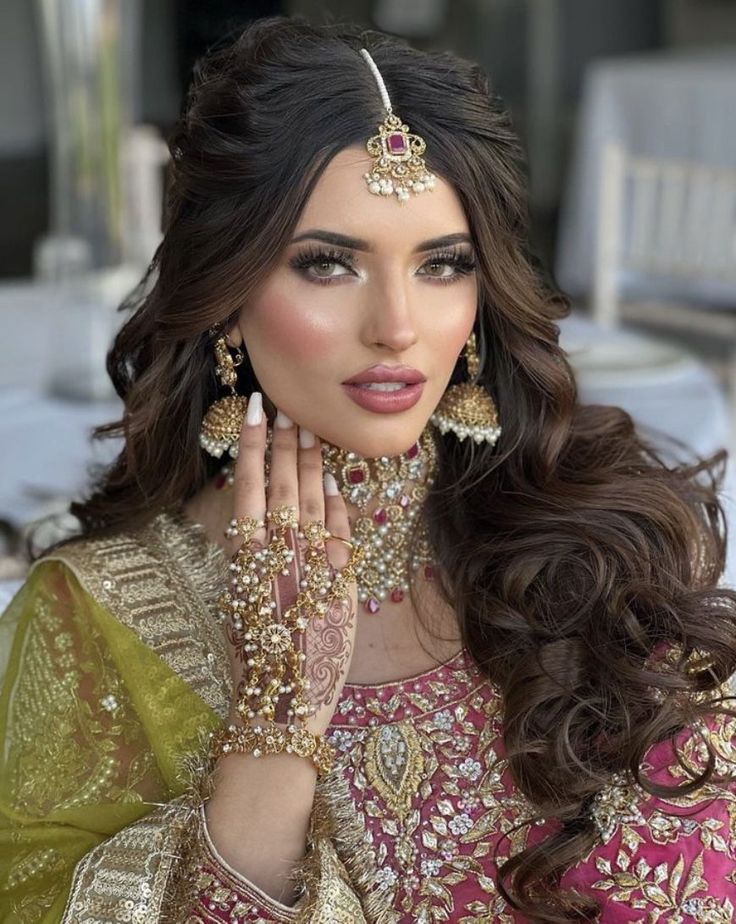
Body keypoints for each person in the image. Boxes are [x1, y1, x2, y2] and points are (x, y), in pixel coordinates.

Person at [1, 14, 735, 923]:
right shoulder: (97, 619)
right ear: (225, 295)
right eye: (327, 264)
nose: (397, 325)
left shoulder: (592, 530)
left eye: (442, 265)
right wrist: (276, 720)